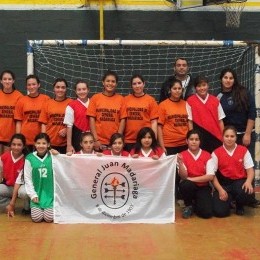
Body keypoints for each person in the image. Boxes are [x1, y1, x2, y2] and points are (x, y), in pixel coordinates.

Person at [158, 79, 193, 204]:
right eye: (175, 88)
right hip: (169, 144)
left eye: (179, 88)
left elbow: (190, 124)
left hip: (184, 144)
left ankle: (183, 197)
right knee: (170, 174)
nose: (177, 91)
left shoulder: (186, 104)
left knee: (183, 173)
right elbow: (159, 127)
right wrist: (162, 146)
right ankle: (170, 198)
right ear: (169, 90)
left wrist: (191, 140)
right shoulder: (163, 105)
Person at [212, 125, 255, 217]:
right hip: (224, 184)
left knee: (246, 191)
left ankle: (239, 205)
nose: (229, 139)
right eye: (227, 136)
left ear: (236, 137)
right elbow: (212, 175)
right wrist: (220, 190)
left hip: (239, 182)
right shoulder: (216, 153)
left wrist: (248, 182)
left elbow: (250, 170)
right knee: (220, 213)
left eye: (232, 136)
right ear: (222, 137)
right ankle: (229, 201)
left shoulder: (243, 150)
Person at [217, 68, 256, 158]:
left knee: (247, 165)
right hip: (230, 138)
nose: (228, 80)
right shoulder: (218, 96)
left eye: (231, 78)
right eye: (225, 77)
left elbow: (252, 113)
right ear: (221, 79)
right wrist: (225, 137)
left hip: (245, 135)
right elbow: (220, 119)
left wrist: (247, 134)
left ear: (234, 80)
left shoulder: (244, 92)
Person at [177, 129, 214, 219]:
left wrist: (191, 179)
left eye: (196, 139)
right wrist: (181, 163)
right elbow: (184, 177)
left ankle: (196, 204)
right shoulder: (181, 155)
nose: (194, 142)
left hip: (203, 186)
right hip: (189, 186)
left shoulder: (207, 155)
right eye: (191, 139)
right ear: (187, 141)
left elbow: (210, 176)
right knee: (185, 184)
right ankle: (188, 205)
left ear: (200, 141)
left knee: (206, 214)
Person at [87, 70, 126, 150]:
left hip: (115, 143)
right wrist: (95, 140)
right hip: (99, 142)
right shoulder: (95, 98)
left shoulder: (121, 99)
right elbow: (91, 120)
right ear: (103, 82)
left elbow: (123, 120)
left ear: (116, 84)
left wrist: (117, 140)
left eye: (113, 81)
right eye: (108, 81)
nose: (110, 83)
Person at [187, 75, 225, 153]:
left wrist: (223, 136)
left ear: (208, 85)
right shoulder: (190, 101)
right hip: (200, 138)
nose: (202, 88)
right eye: (199, 86)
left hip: (216, 137)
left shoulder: (215, 100)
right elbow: (190, 121)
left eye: (204, 85)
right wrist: (191, 137)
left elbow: (220, 120)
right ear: (195, 88)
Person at [123, 74, 159, 151]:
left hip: (145, 140)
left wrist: (154, 140)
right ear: (131, 86)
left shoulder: (151, 100)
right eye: (134, 84)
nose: (137, 86)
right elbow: (122, 120)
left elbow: (154, 122)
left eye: (139, 83)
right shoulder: (125, 100)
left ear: (144, 84)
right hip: (129, 140)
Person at [14, 75, 50, 151]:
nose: (31, 87)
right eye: (29, 85)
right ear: (26, 86)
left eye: (34, 84)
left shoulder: (46, 99)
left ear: (38, 85)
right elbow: (18, 121)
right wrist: (18, 138)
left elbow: (49, 119)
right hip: (26, 139)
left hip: (41, 140)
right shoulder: (21, 101)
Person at [24, 133, 54, 223]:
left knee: (49, 218)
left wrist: (62, 154)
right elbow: (27, 178)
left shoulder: (53, 156)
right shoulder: (29, 158)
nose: (41, 146)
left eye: (44, 143)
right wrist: (32, 195)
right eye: (38, 143)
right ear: (35, 144)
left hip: (49, 195)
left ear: (48, 145)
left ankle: (50, 204)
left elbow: (65, 164)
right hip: (36, 193)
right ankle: (33, 204)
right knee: (37, 218)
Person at [39, 78, 72, 154]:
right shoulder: (47, 103)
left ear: (66, 89)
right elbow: (43, 123)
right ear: (54, 88)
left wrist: (67, 129)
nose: (60, 90)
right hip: (50, 142)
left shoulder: (71, 103)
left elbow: (76, 122)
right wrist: (44, 140)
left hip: (66, 144)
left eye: (63, 87)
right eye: (57, 87)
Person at [0, 134, 30, 215]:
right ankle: (9, 205)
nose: (16, 147)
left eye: (19, 145)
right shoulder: (4, 157)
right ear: (10, 145)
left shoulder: (27, 159)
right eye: (14, 144)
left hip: (22, 188)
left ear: (23, 146)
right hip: (10, 188)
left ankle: (27, 207)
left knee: (24, 193)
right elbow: (1, 173)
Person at [63, 80, 90, 154]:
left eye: (84, 89)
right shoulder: (71, 105)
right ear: (75, 91)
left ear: (88, 90)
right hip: (77, 139)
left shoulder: (93, 103)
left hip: (91, 140)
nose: (82, 91)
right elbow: (69, 126)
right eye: (79, 89)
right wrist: (69, 145)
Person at [0, 70, 23, 155]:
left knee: (7, 163)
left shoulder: (19, 96)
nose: (7, 81)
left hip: (11, 136)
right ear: (1, 81)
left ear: (13, 81)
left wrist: (17, 136)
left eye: (9, 79)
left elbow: (20, 119)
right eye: (4, 79)